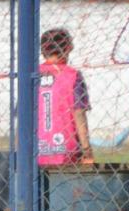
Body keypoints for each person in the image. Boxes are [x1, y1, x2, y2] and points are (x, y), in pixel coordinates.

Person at [37, 28, 93, 166]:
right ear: (68, 48)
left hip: (35, 149)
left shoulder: (32, 75)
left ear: (43, 51)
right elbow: (79, 113)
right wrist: (86, 149)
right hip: (67, 150)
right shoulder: (73, 76)